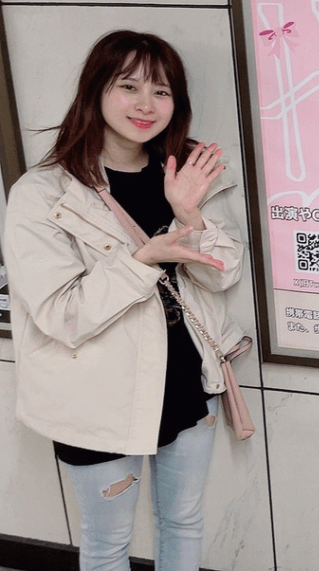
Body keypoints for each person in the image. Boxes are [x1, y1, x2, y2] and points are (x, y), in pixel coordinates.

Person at [4, 31, 247, 570]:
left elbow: (223, 275)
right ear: (95, 91)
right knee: (108, 545)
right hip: (94, 398)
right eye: (128, 86)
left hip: (187, 383)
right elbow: (61, 314)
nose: (145, 104)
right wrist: (143, 261)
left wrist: (190, 216)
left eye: (161, 92)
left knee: (183, 522)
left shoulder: (187, 172)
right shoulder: (42, 195)